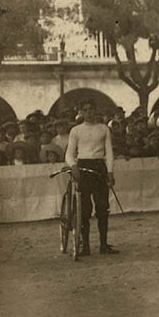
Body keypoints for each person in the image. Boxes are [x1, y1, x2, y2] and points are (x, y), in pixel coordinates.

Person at [65, 99, 118, 256]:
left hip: (99, 168)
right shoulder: (76, 130)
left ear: (96, 110)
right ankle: (85, 247)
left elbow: (109, 152)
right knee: (84, 209)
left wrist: (110, 171)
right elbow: (69, 152)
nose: (89, 112)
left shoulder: (104, 129)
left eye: (91, 109)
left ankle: (103, 245)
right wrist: (73, 166)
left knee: (102, 208)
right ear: (81, 112)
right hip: (82, 168)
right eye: (85, 109)